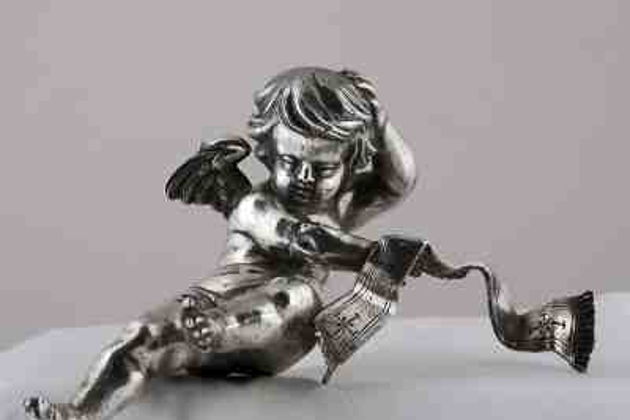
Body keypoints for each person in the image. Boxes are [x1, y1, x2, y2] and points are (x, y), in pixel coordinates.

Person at [23, 67, 594, 420]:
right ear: (267, 152)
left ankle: (218, 329)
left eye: (322, 168)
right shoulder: (255, 203)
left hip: (281, 335)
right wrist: (378, 255)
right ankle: (81, 412)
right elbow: (306, 239)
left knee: (295, 295)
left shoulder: (343, 203)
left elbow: (401, 180)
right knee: (143, 335)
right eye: (290, 162)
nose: (302, 178)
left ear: (351, 164)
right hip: (214, 304)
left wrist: (378, 119)